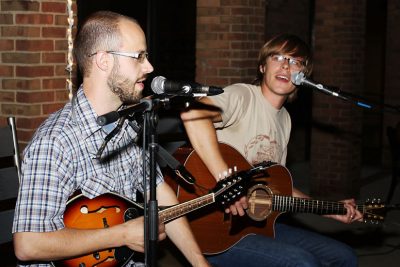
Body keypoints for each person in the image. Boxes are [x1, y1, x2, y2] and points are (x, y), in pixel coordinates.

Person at [12, 11, 210, 267]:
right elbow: (28, 245)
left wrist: (199, 263)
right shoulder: (56, 141)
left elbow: (160, 194)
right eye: (139, 56)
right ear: (104, 60)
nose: (149, 67)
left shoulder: (127, 124)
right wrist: (121, 234)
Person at [180, 34, 363, 266]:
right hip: (214, 227)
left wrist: (329, 210)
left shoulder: (284, 120)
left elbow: (275, 187)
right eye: (277, 57)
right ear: (262, 66)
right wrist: (228, 182)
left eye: (295, 61)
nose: (286, 65)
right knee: (302, 263)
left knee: (345, 256)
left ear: (302, 76)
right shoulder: (243, 95)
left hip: (254, 224)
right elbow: (193, 113)